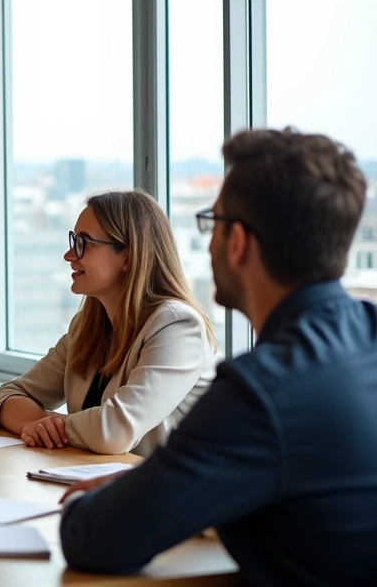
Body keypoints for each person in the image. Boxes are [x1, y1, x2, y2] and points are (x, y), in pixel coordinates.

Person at [60, 129, 377, 584]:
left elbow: (90, 537)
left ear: (238, 243)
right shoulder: (366, 338)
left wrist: (135, 494)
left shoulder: (258, 394)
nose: (206, 244)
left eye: (213, 222)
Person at [0, 190, 217, 456]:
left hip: (172, 493)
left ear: (128, 258)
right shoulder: (87, 326)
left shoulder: (176, 326)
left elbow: (115, 432)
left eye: (84, 242)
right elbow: (10, 395)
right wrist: (35, 425)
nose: (69, 255)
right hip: (100, 482)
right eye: (73, 240)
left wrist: (53, 426)